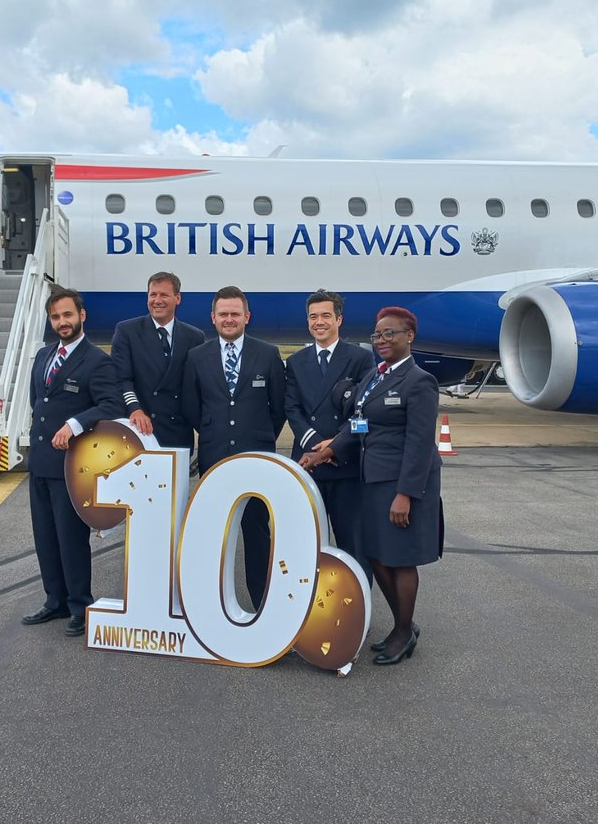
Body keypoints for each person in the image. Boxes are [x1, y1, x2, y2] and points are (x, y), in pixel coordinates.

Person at [299, 306, 442, 665]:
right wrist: (326, 450)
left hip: (400, 485)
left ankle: (403, 630)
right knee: (378, 558)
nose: (382, 341)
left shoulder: (419, 381)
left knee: (400, 559)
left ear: (409, 336)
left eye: (390, 334)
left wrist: (406, 495)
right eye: (377, 335)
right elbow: (359, 424)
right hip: (372, 481)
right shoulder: (375, 378)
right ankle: (403, 627)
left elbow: (420, 442)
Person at [22, 287, 123, 636]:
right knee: (45, 538)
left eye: (67, 315)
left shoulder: (97, 361)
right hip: (39, 463)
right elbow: (39, 402)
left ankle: (80, 604)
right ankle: (55, 600)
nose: (62, 322)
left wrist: (75, 423)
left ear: (82, 316)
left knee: (70, 538)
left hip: (69, 466)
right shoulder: (42, 356)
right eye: (55, 317)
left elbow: (112, 405)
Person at [183, 285, 286, 609]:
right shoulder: (197, 357)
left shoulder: (268, 354)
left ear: (247, 317)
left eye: (235, 314)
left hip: (256, 458)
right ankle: (211, 604)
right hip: (215, 457)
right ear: (213, 318)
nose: (229, 319)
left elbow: (278, 407)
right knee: (213, 532)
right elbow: (191, 405)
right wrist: (213, 433)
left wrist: (257, 436)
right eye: (223, 314)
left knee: (256, 532)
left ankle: (261, 600)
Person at [285, 289, 376, 580]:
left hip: (346, 466)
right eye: (313, 317)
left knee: (354, 546)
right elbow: (292, 408)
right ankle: (310, 610)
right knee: (306, 544)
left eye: (326, 315)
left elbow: (365, 416)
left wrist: (335, 444)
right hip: (308, 464)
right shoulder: (296, 362)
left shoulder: (360, 359)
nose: (319, 322)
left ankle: (359, 614)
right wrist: (313, 443)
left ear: (339, 319)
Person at [110, 271, 206, 448]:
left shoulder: (194, 337)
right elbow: (120, 378)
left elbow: (196, 386)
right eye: (152, 294)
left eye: (164, 295)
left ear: (178, 298)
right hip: (139, 429)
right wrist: (135, 409)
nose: (157, 300)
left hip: (177, 432)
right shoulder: (127, 331)